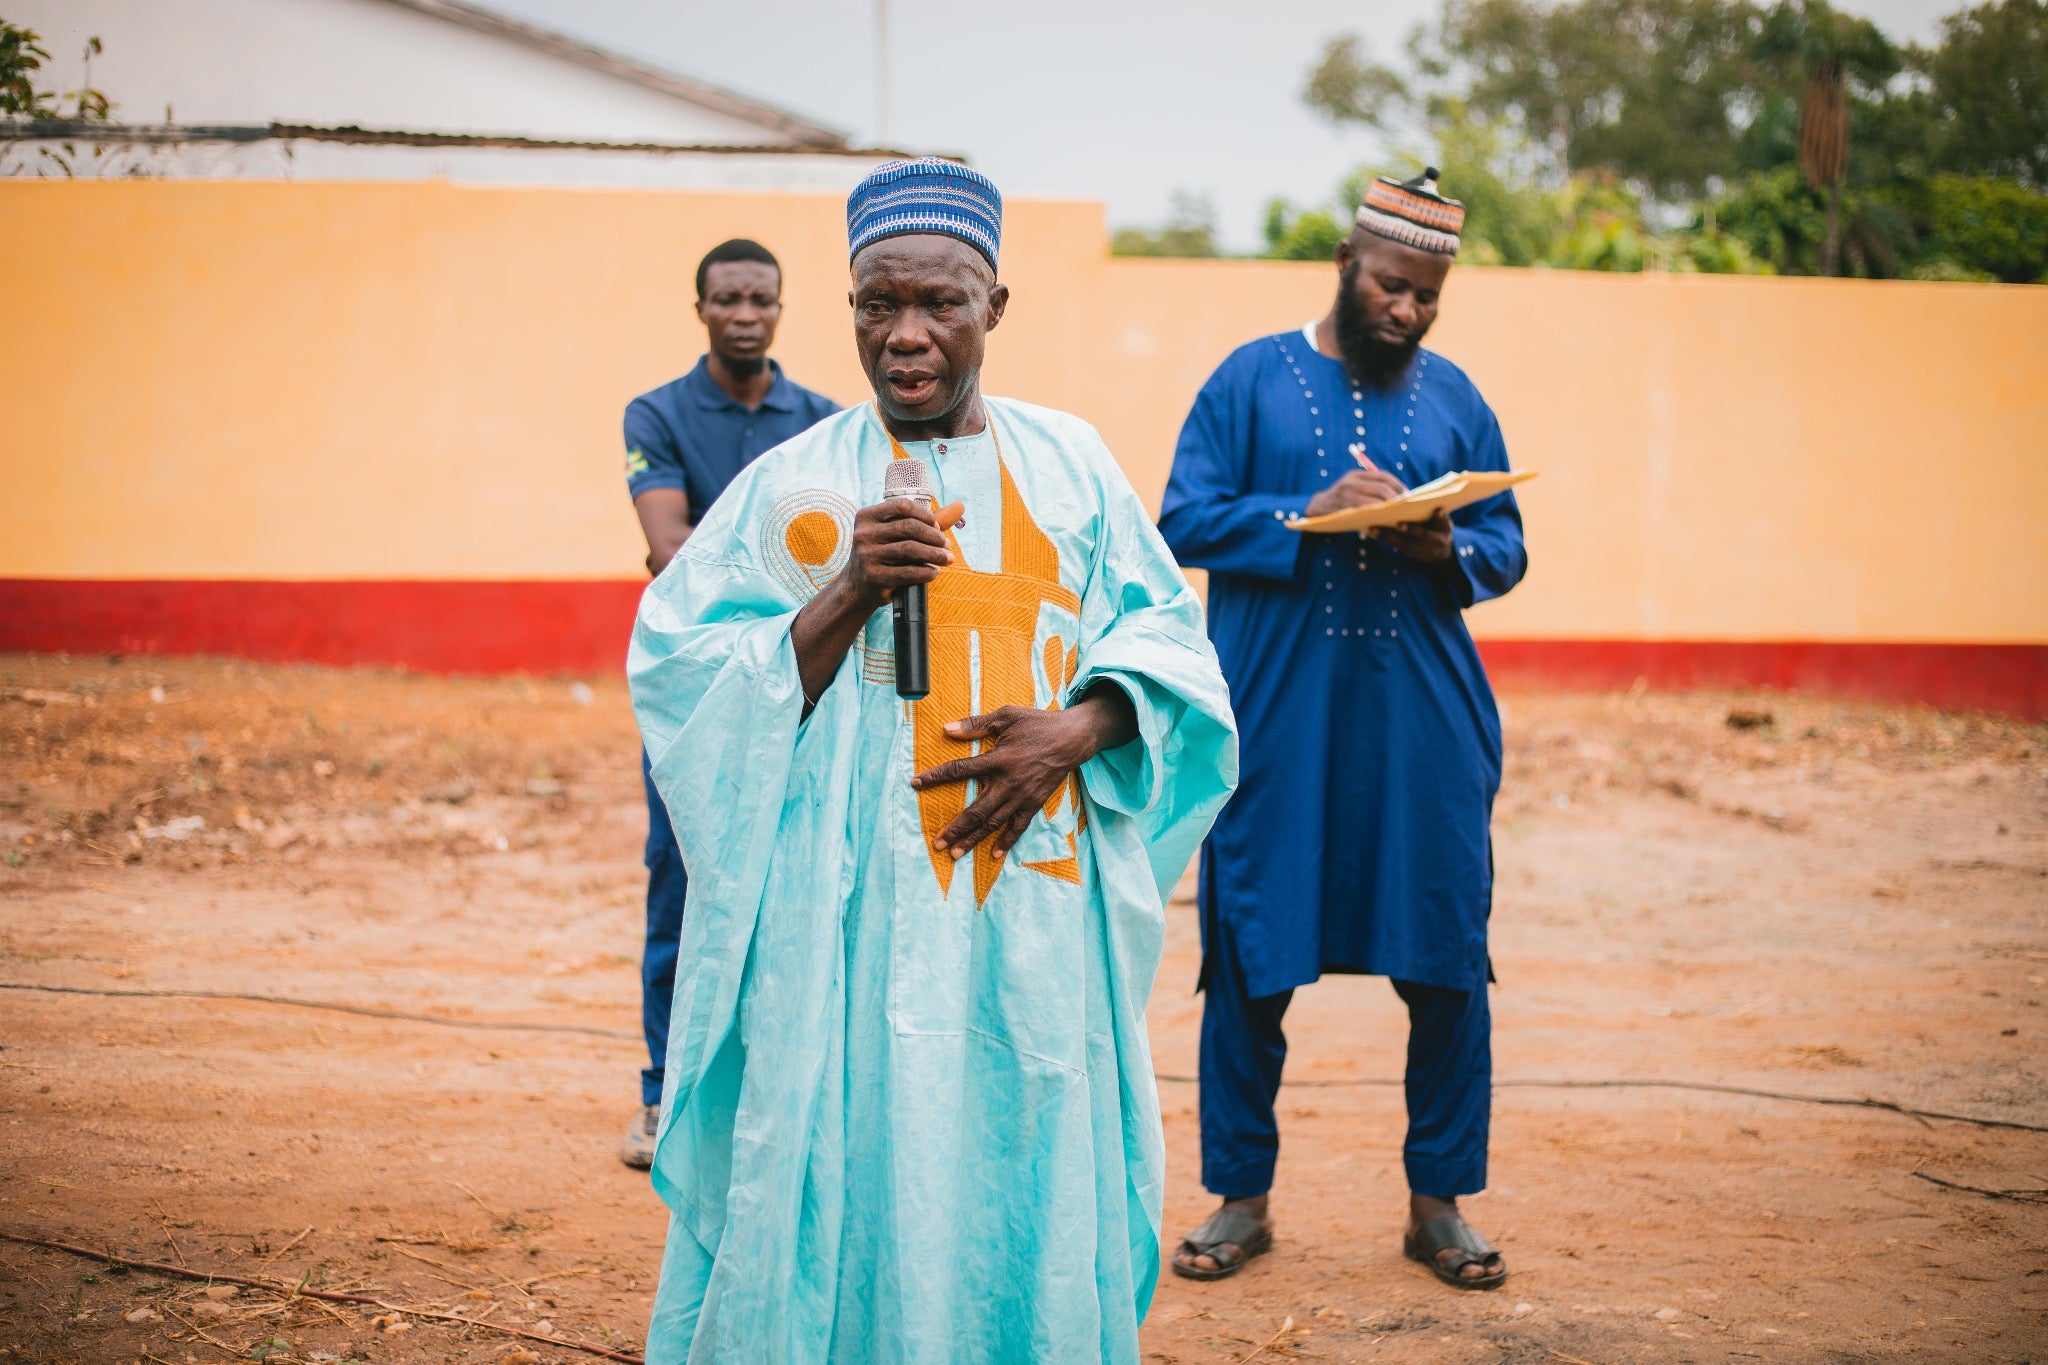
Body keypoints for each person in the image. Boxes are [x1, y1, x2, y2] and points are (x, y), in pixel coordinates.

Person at [629, 158, 1236, 1362]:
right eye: (874, 304)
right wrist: (850, 587)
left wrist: (1071, 732)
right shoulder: (789, 486)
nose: (904, 336)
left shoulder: (1072, 467)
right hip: (840, 936)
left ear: (992, 308)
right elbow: (683, 679)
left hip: (1027, 924)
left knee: (1018, 1156)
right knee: (842, 1164)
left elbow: (1171, 647)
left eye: (939, 303)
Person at [1157, 169, 1528, 1291]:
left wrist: (1444, 549)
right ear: (1342, 262)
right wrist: (1295, 516)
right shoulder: (1246, 378)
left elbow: (1505, 540)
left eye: (1424, 296)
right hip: (1275, 722)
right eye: (1389, 286)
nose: (1405, 312)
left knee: (1447, 964)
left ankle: (1437, 1204)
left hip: (1422, 727)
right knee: (1250, 955)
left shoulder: (1456, 395)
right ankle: (1241, 1199)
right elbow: (1180, 515)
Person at [619, 238, 840, 1169]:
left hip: (811, 683)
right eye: (728, 300)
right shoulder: (659, 414)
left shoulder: (824, 421)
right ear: (700, 307)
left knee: (808, 875)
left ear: (782, 308)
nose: (746, 314)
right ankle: (663, 1091)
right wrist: (805, 588)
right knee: (686, 876)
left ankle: (785, 1081)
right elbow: (672, 551)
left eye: (762, 299)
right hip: (703, 692)